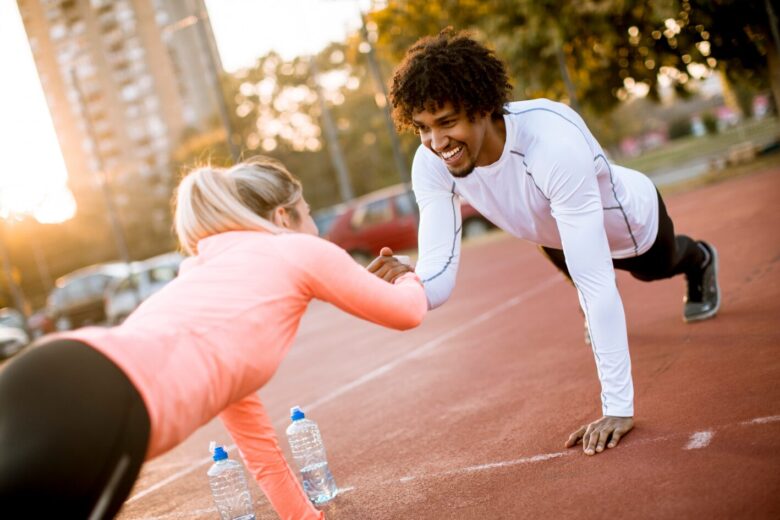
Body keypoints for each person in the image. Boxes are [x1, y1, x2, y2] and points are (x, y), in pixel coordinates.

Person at [0, 157, 427, 519]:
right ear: (283, 216)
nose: (315, 225)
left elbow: (259, 450)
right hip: (106, 407)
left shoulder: (205, 276)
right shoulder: (300, 250)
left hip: (51, 367)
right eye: (309, 211)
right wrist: (410, 276)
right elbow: (408, 312)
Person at [368, 30, 720, 457]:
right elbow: (439, 268)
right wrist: (414, 282)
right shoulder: (431, 163)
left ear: (483, 107)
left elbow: (597, 281)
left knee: (653, 269)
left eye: (447, 123)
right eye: (423, 128)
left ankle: (699, 258)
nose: (436, 142)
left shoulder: (550, 143)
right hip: (550, 233)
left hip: (626, 220)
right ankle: (598, 309)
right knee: (580, 273)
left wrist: (618, 408)